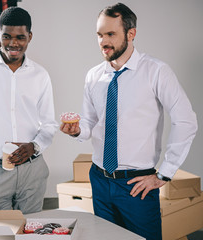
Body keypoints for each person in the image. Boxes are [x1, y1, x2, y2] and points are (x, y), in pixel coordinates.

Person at [60, 3, 197, 240]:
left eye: (111, 34)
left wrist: (164, 174)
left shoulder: (156, 72)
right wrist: (76, 131)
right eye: (100, 35)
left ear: (131, 34)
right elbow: (90, 123)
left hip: (136, 184)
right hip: (100, 179)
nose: (103, 41)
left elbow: (186, 121)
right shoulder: (94, 76)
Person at [0, 7, 58, 214]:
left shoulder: (40, 75)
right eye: (6, 36)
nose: (13, 43)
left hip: (33, 171)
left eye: (20, 37)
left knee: (31, 231)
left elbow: (49, 124)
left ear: (29, 37)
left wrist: (35, 146)